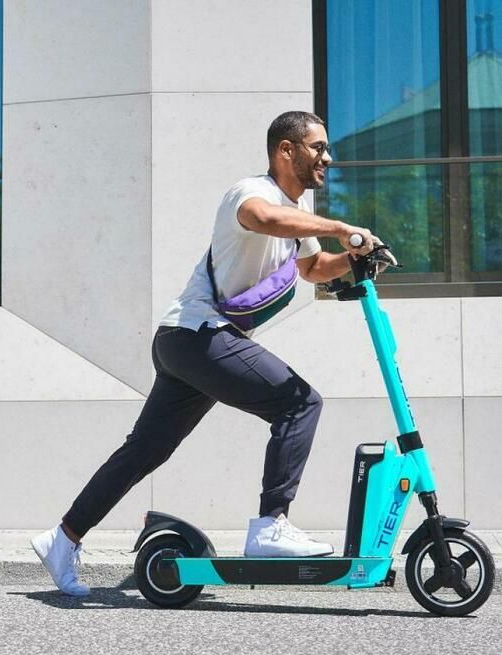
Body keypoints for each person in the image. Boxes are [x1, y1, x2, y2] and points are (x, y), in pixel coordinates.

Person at [31, 110, 375, 596]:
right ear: (286, 151)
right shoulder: (251, 193)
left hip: (186, 343)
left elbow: (314, 267)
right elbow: (262, 219)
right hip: (198, 335)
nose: (328, 157)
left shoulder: (297, 220)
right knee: (299, 402)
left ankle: (62, 539)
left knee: (145, 451)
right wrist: (342, 225)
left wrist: (356, 257)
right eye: (318, 147)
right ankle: (271, 526)